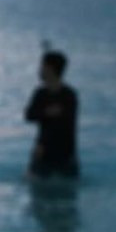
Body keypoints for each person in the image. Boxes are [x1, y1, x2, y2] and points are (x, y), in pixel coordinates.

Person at [25, 50, 79, 178]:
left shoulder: (69, 95)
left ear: (50, 68)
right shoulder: (40, 93)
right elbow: (29, 115)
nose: (40, 70)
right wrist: (47, 112)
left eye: (42, 66)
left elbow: (66, 124)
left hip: (64, 153)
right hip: (42, 152)